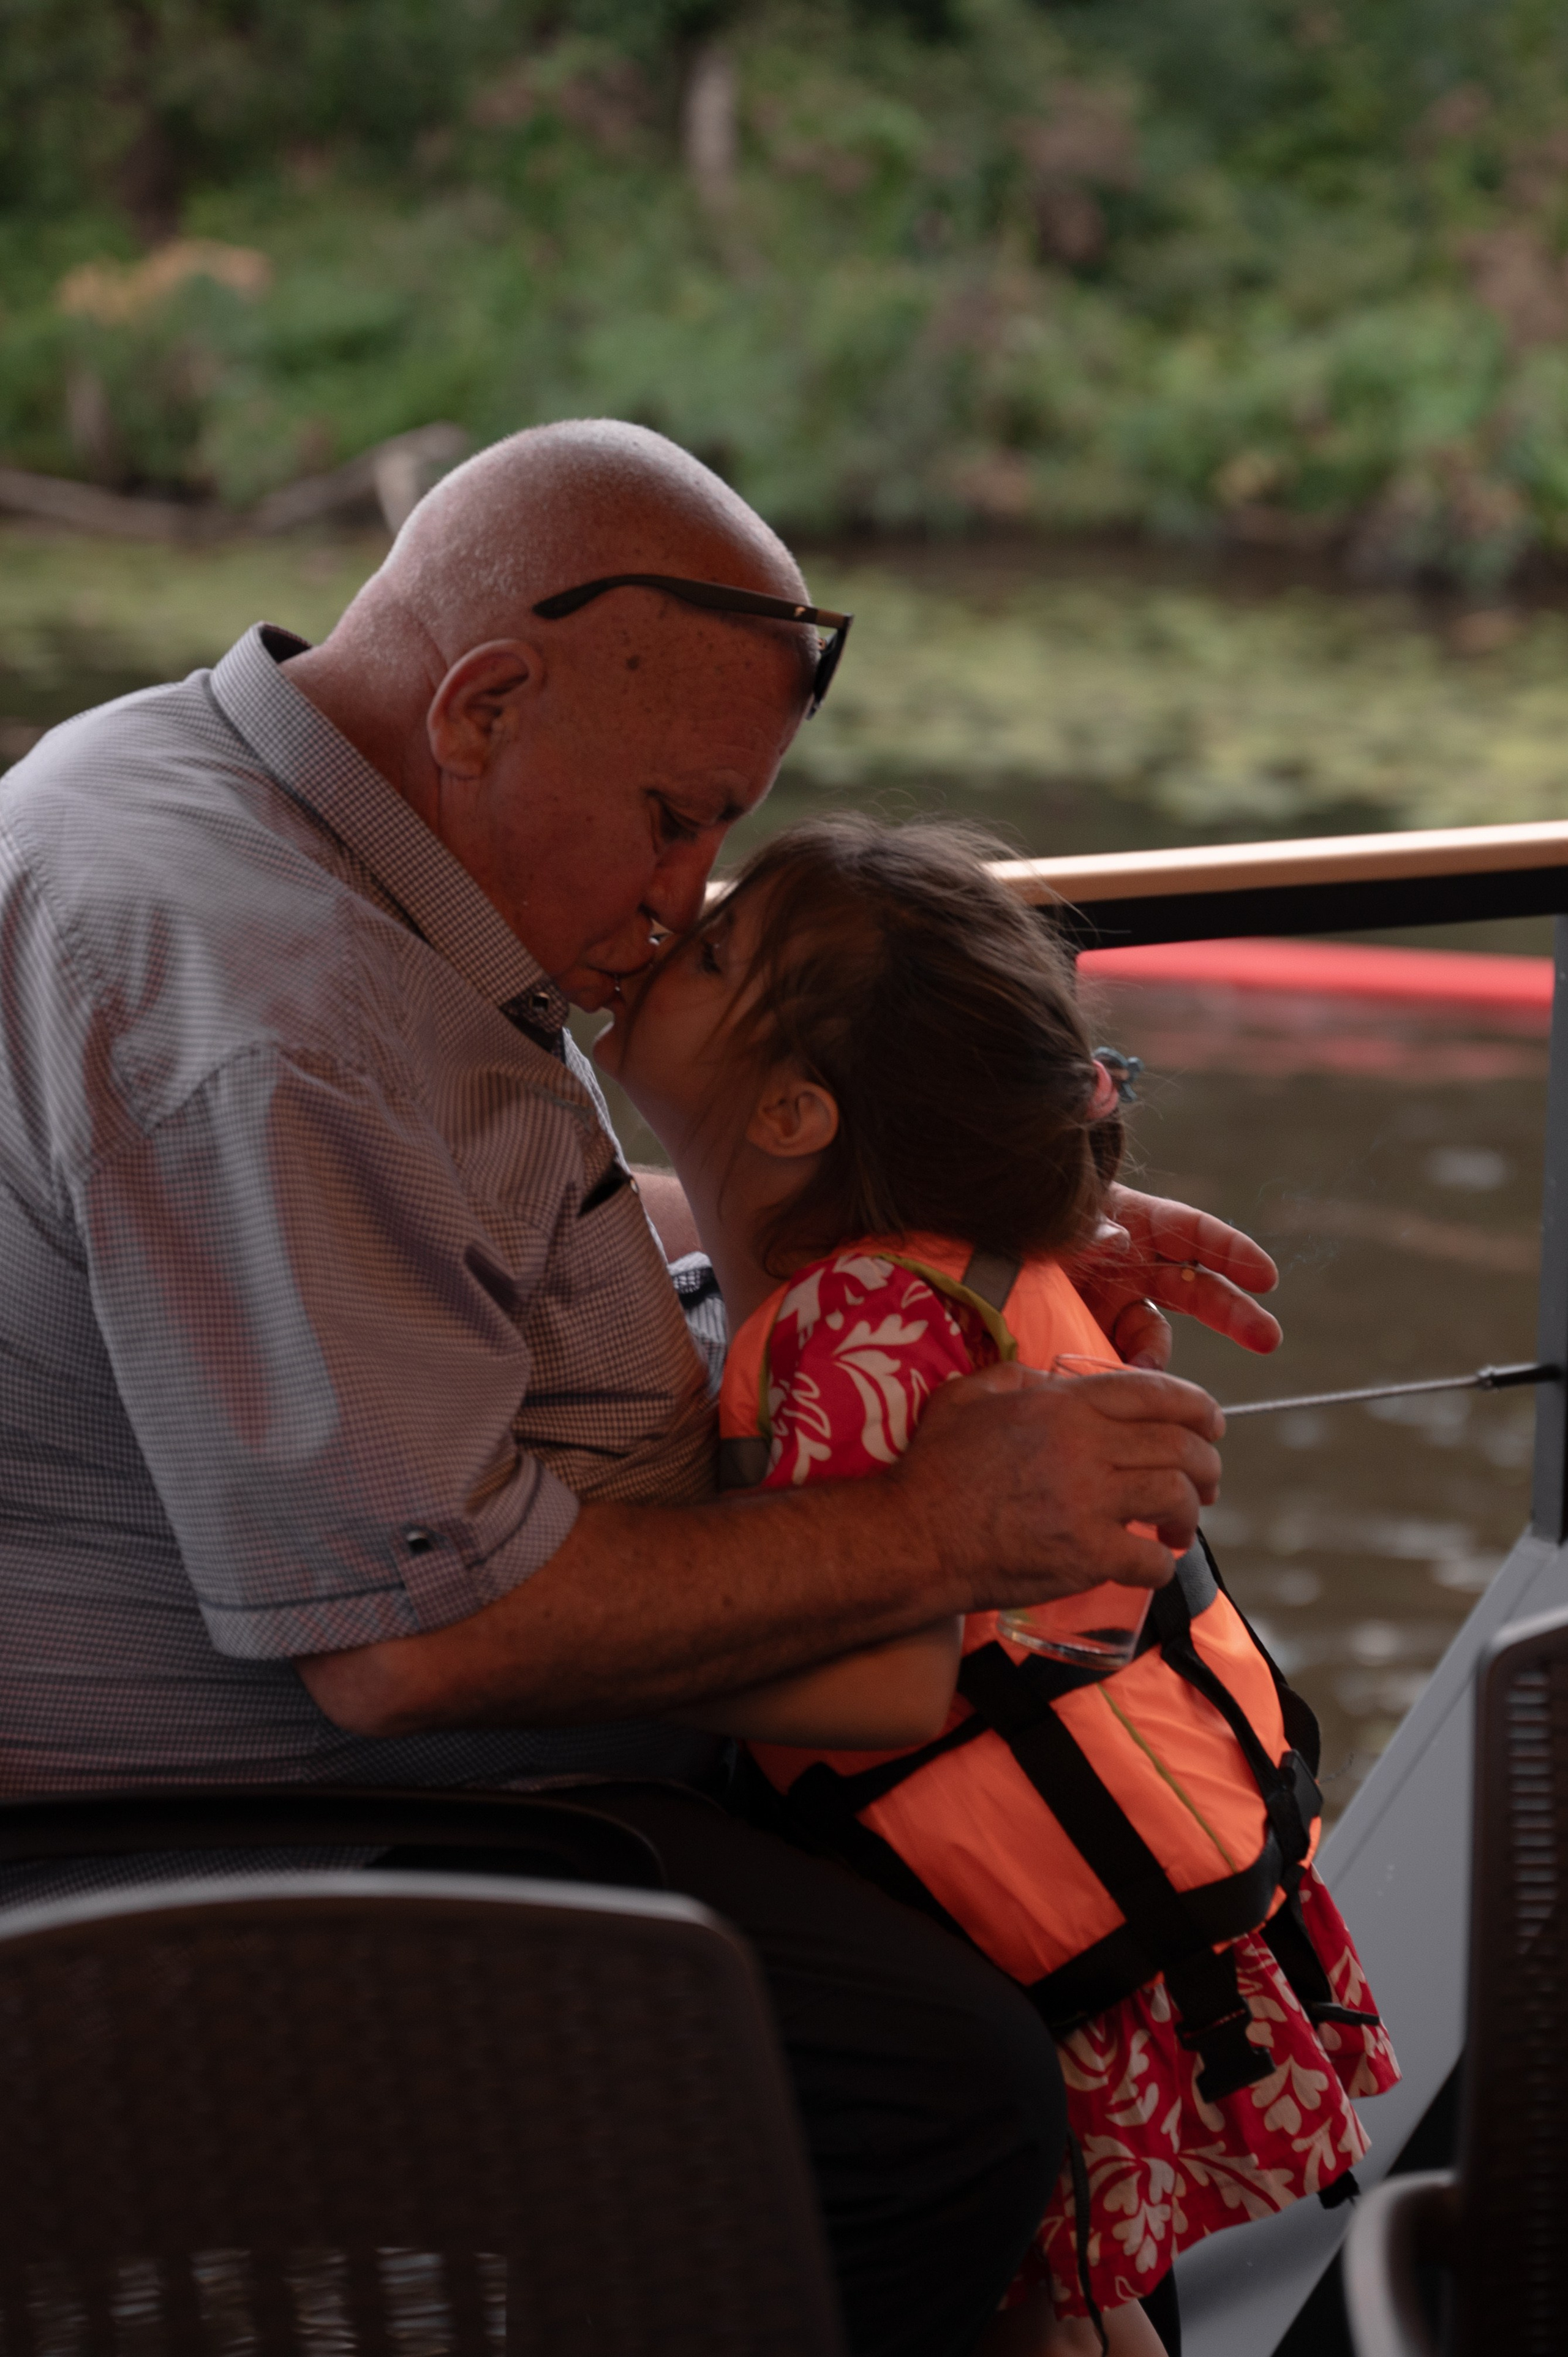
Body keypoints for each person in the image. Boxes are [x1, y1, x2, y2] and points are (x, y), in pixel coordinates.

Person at [0, 418, 1281, 2357]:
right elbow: (418, 1646)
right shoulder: (270, 1003)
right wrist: (942, 1524)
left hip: (383, 1746)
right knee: (949, 2095)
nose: (685, 903)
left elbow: (434, 1229)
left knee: (1025, 1913)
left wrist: (911, 1237)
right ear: (483, 705)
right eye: (678, 819)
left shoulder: (222, 789)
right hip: (200, 1853)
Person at [595, 813, 1398, 2357]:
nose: (673, 925)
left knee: (1039, 2323)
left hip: (999, 1960)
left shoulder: (857, 1322)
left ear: (793, 1109)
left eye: (717, 948)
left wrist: (602, 1636)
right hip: (1081, 1936)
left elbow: (882, 1687)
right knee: (1067, 2314)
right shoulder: (949, 1268)